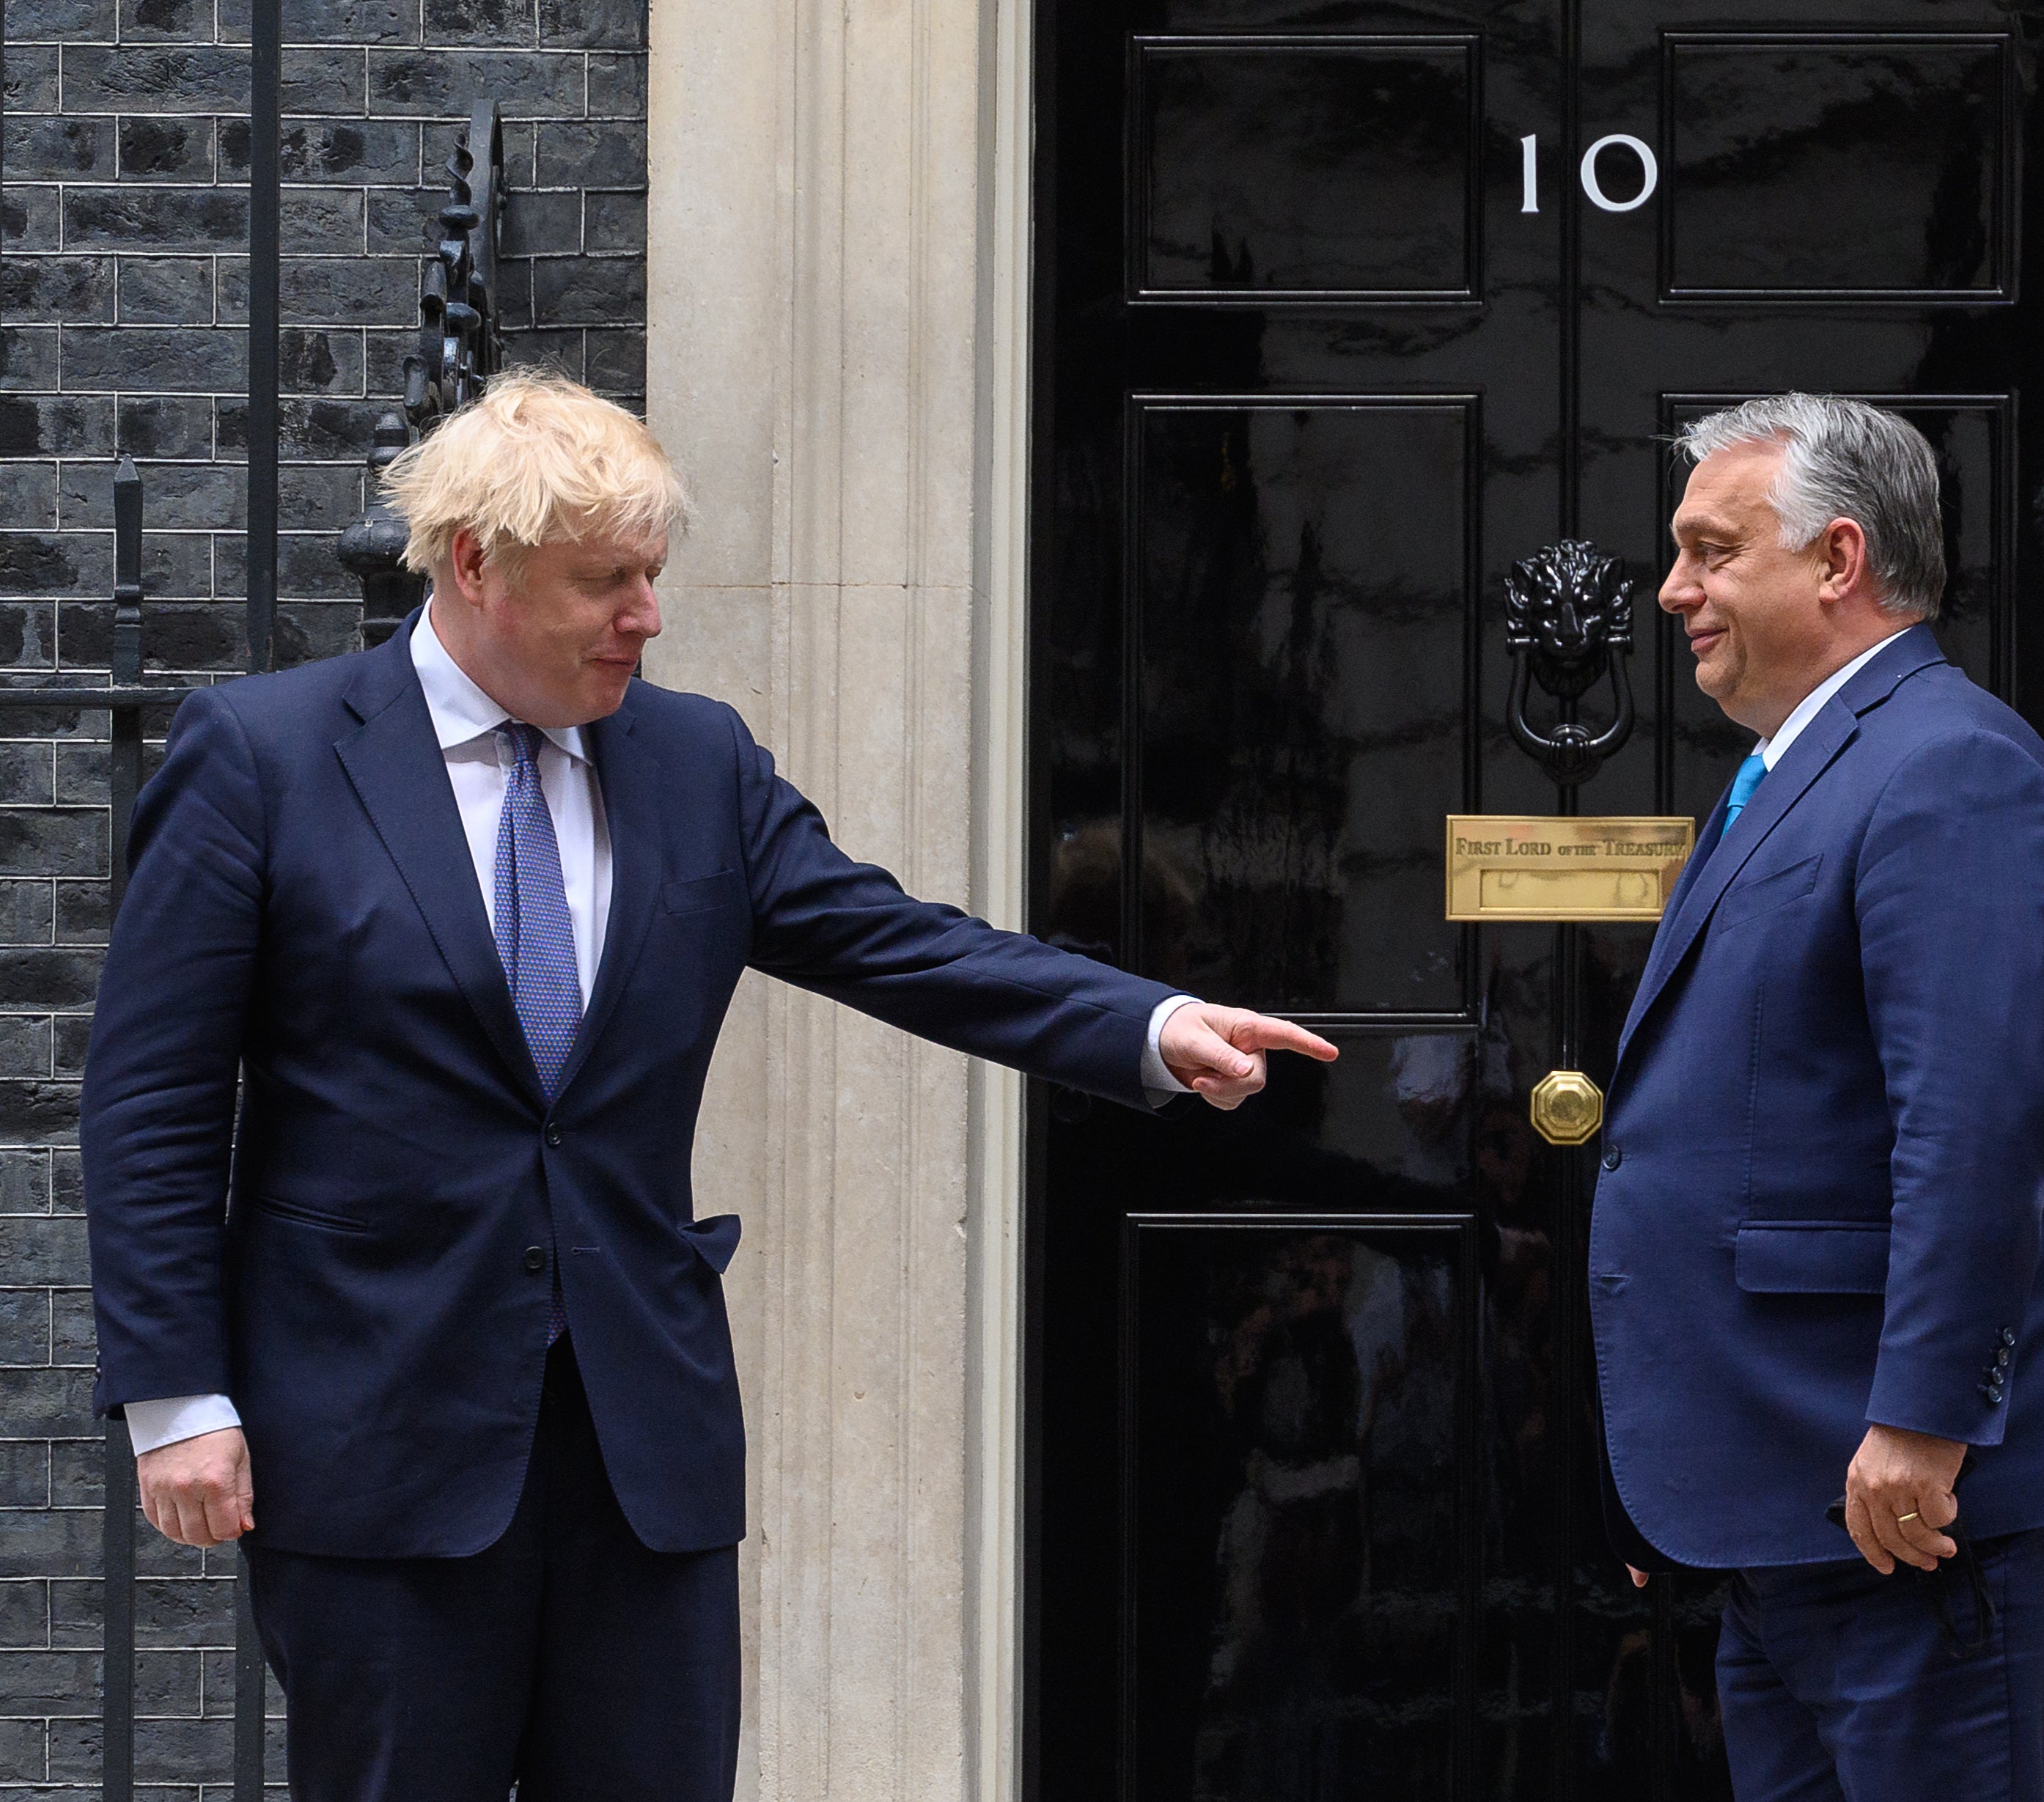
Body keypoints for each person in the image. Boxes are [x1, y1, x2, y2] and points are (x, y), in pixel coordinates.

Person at [80, 371, 1337, 1801]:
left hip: (640, 1443)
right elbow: (152, 1099)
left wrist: (1146, 1020)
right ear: (475, 565)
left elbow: (894, 938)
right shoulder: (266, 756)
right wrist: (178, 1393)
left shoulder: (694, 758)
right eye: (604, 579)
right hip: (377, 1428)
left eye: (653, 574)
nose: (647, 615)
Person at [1590, 395, 2044, 1799]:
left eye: (1710, 551)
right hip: (1793, 1509)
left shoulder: (1951, 770)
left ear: (1837, 559)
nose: (1674, 589)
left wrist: (1923, 1420)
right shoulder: (1793, 771)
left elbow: (1979, 1129)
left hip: (1929, 1513)